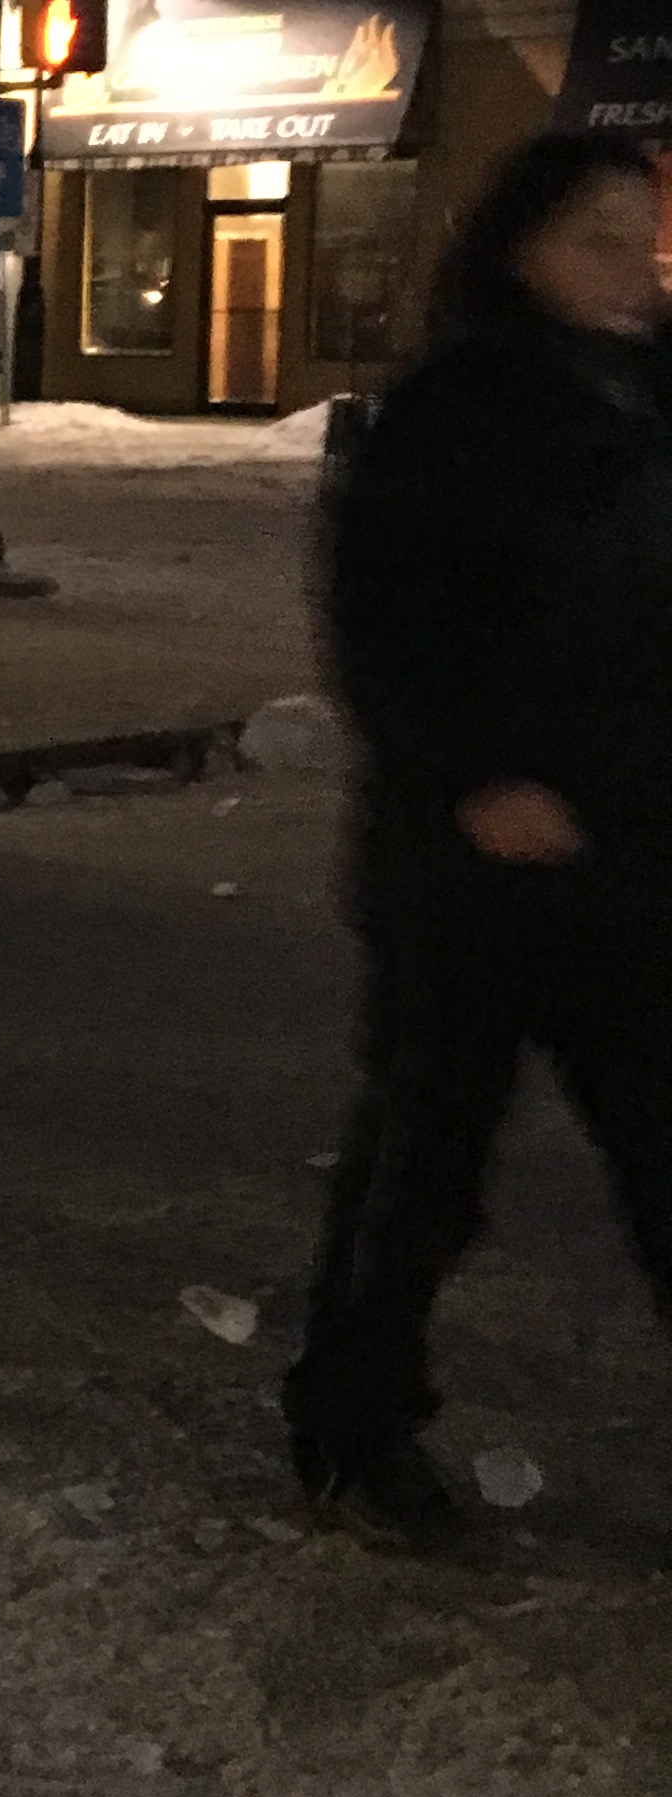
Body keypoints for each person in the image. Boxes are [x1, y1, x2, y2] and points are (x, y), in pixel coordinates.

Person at [289, 129, 672, 1540]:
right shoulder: (451, 414)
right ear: (520, 248)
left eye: (645, 240)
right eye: (596, 240)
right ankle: (353, 1428)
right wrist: (475, 779)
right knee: (426, 1168)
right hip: (473, 874)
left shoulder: (653, 397)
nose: (632, 270)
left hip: (635, 857)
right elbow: (384, 630)